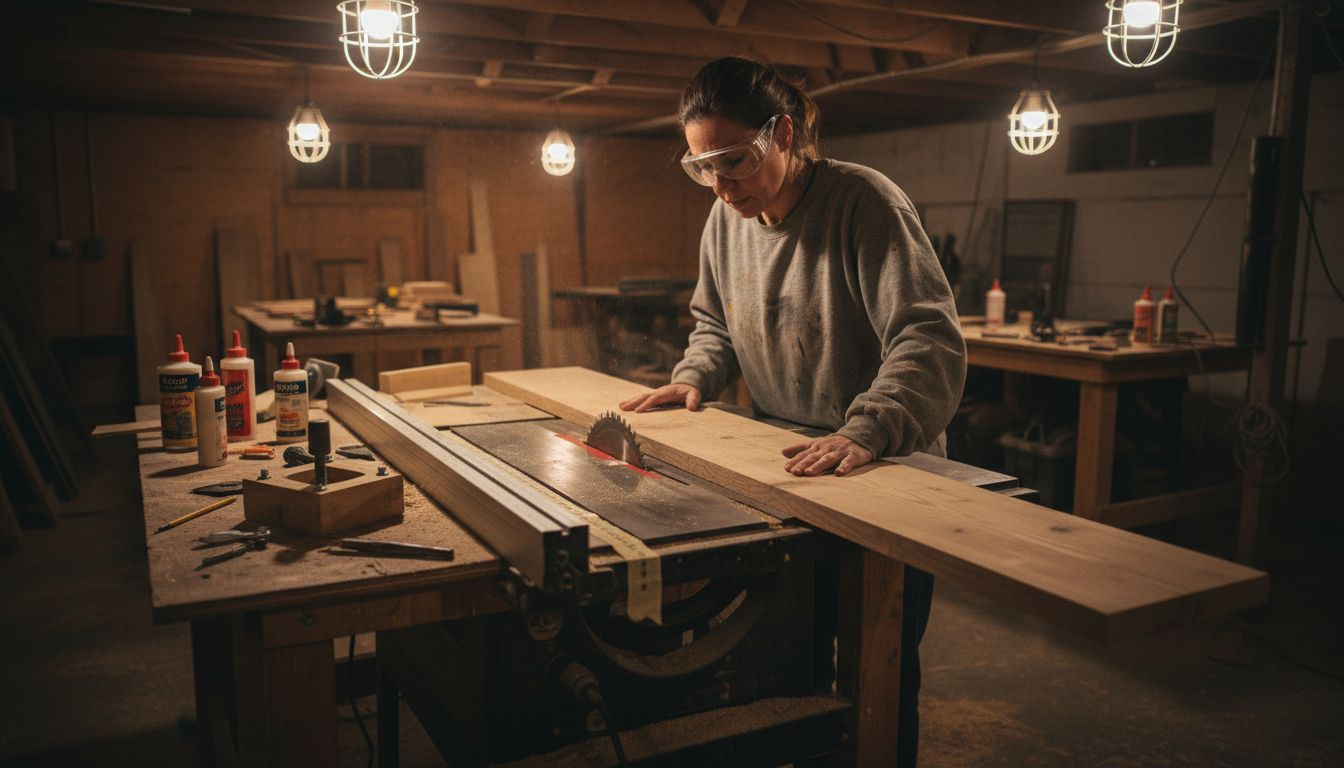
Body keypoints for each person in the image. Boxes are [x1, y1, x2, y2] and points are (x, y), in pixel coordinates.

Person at [618, 56, 966, 767]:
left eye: (734, 161)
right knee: (794, 660)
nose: (720, 184)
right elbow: (714, 322)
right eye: (701, 167)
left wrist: (866, 430)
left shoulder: (864, 203)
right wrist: (694, 378)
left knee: (879, 670)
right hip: (793, 474)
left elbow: (927, 337)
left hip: (886, 468)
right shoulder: (725, 219)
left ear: (782, 134)